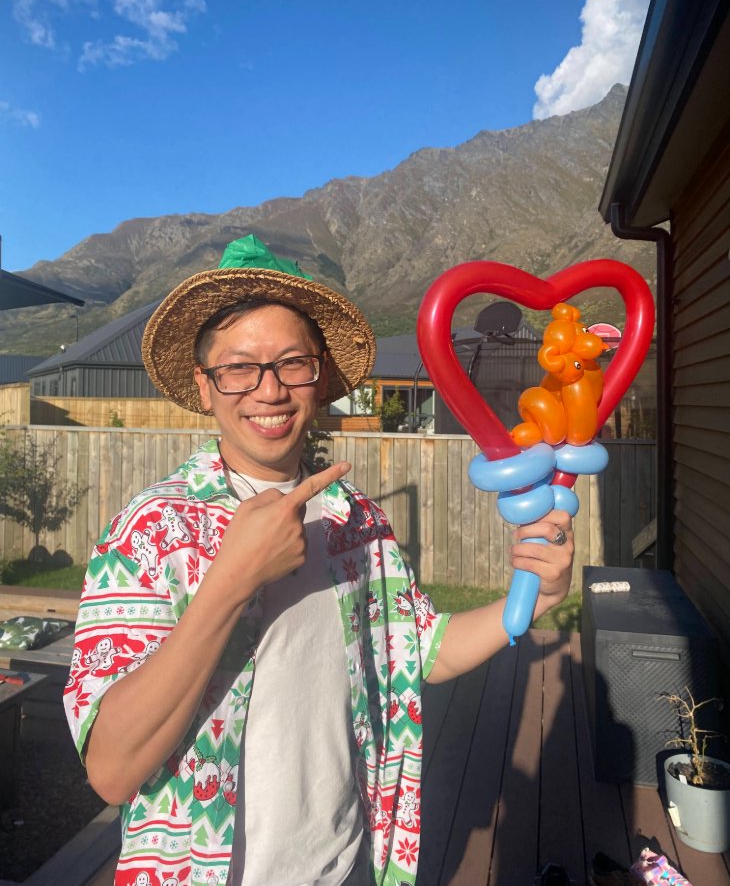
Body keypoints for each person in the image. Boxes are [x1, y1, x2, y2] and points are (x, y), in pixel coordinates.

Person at [64, 234, 574, 886]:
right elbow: (111, 769)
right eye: (238, 367)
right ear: (204, 385)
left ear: (322, 375)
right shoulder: (150, 529)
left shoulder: (355, 520)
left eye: (292, 363)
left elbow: (421, 650)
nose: (268, 390)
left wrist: (531, 597)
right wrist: (232, 581)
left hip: (346, 867)